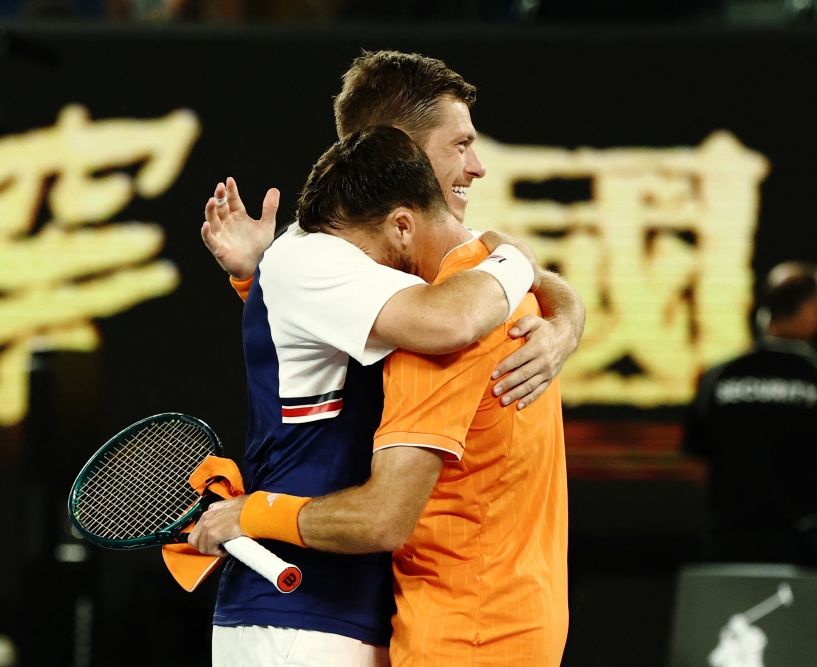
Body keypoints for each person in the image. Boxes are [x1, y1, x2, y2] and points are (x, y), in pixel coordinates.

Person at [195, 52, 584, 666]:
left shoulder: (420, 272)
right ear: (398, 149)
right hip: (302, 606)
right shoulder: (351, 268)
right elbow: (450, 320)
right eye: (460, 145)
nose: (476, 167)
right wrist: (512, 257)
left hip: (366, 609)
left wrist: (564, 318)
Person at [684, 261, 817, 563]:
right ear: (811, 310)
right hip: (809, 554)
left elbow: (698, 466)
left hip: (729, 548)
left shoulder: (717, 377)